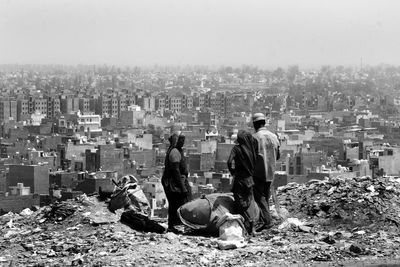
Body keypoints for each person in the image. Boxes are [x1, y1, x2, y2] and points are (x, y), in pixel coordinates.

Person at [252, 113, 280, 231]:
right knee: (266, 196)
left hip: (258, 172)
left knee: (259, 197)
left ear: (254, 124)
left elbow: (251, 157)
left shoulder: (254, 138)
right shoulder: (274, 136)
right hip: (270, 171)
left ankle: (267, 221)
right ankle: (265, 219)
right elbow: (278, 155)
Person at [227, 130, 258, 235]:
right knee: (250, 202)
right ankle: (252, 228)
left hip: (240, 179)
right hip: (250, 179)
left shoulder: (236, 148)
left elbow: (229, 161)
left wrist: (233, 172)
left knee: (240, 203)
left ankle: (244, 226)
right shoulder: (252, 150)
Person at [161, 133, 191, 233]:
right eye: (180, 140)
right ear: (176, 140)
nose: (182, 142)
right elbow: (175, 170)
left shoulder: (177, 150)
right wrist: (182, 187)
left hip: (175, 181)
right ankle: (176, 225)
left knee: (176, 203)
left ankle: (175, 225)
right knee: (178, 203)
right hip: (173, 183)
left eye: (183, 140)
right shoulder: (174, 152)